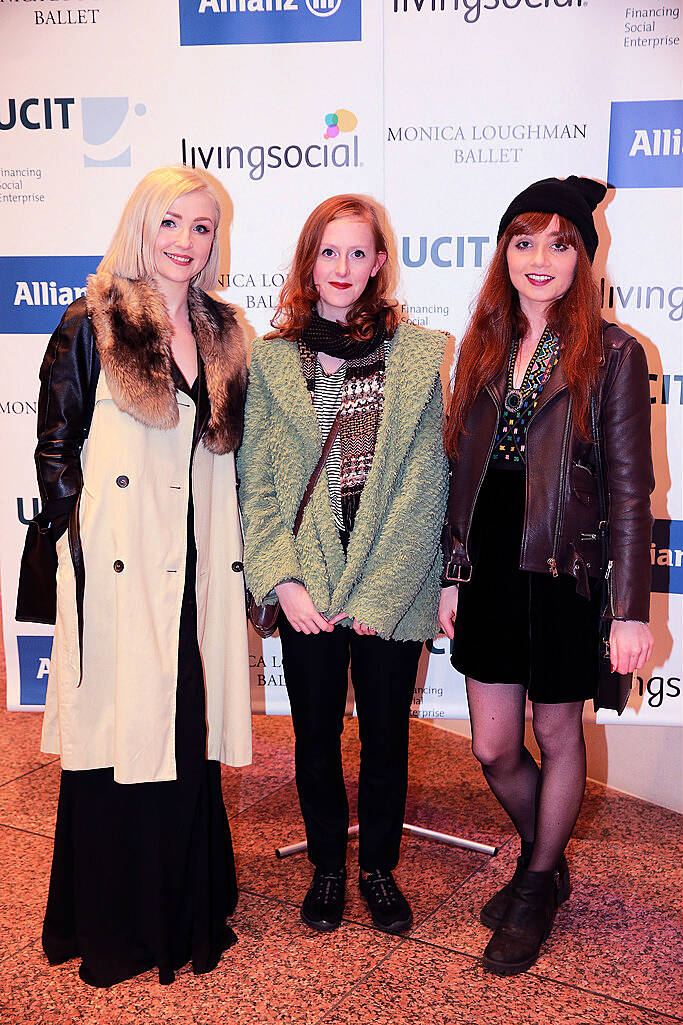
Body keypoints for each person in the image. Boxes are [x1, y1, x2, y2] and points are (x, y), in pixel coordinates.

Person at [34, 166, 251, 987]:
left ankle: (187, 906)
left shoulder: (226, 329)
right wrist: (78, 552)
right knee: (119, 734)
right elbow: (56, 447)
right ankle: (118, 922)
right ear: (142, 225)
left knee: (183, 730)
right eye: (171, 223)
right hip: (121, 567)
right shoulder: (93, 319)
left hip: (196, 562)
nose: (184, 242)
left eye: (201, 227)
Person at [438, 176, 654, 975]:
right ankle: (549, 857)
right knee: (494, 747)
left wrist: (627, 609)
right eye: (523, 241)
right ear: (504, 251)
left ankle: (533, 886)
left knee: (556, 734)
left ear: (581, 259)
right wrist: (451, 571)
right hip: (489, 568)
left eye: (558, 244)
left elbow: (631, 488)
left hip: (565, 571)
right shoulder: (483, 342)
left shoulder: (617, 352)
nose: (538, 258)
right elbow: (463, 470)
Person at [238, 194, 448, 934]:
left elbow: (427, 484)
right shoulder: (271, 360)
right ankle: (329, 862)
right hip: (307, 593)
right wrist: (285, 582)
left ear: (379, 264)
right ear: (308, 261)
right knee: (315, 733)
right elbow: (257, 484)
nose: (342, 267)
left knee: (388, 735)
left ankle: (377, 868)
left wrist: (382, 593)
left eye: (357, 252)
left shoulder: (421, 355)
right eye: (328, 252)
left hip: (391, 591)